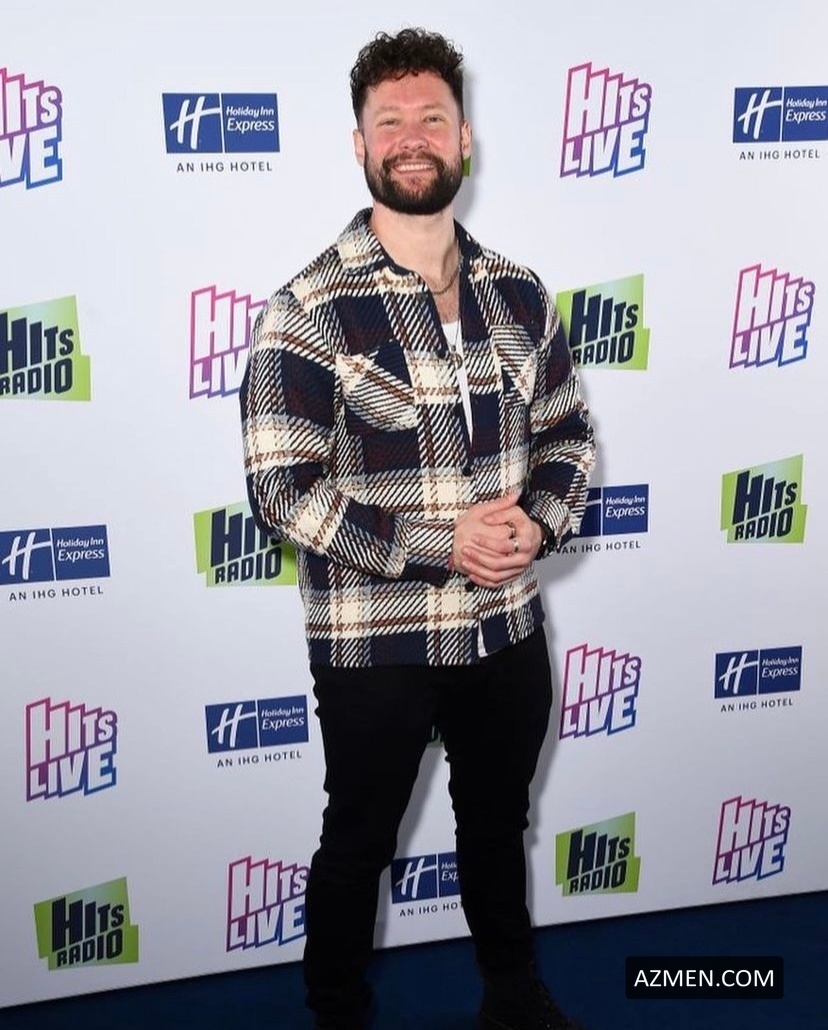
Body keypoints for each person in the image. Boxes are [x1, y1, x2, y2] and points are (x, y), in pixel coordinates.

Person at [240, 28, 595, 1030]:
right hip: (376, 640)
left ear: (464, 140)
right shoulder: (307, 307)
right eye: (389, 121)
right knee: (359, 843)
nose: (412, 137)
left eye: (432, 117)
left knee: (498, 825)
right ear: (360, 146)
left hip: (505, 629)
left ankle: (513, 996)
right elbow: (283, 492)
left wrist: (538, 523)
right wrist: (443, 543)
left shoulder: (519, 293)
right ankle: (336, 1011)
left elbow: (568, 433)